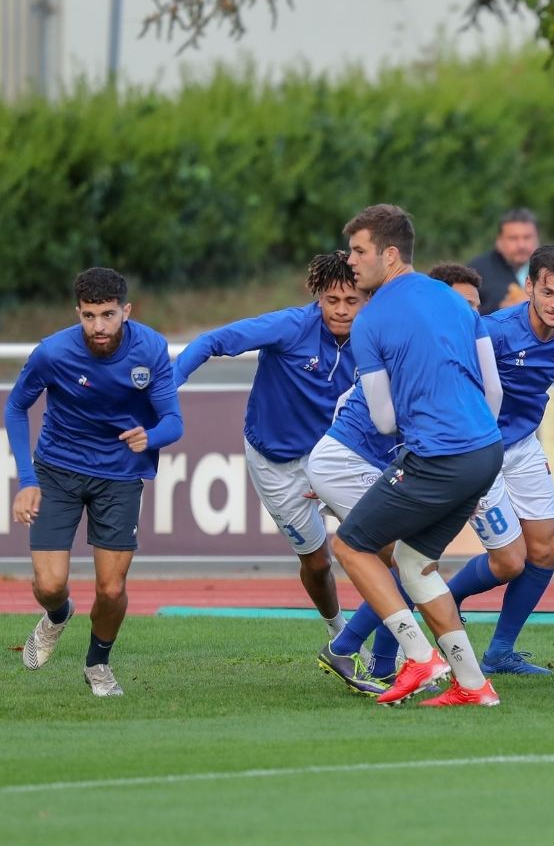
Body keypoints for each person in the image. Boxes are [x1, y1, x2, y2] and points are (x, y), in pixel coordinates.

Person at [336, 203, 505, 708]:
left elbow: (386, 422)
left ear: (389, 255)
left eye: (359, 250)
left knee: (350, 546)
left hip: (439, 457)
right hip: (486, 451)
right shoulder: (456, 301)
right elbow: (492, 391)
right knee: (414, 564)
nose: (350, 261)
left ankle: (417, 657)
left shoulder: (369, 322)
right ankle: (474, 685)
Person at [5, 267, 183, 696]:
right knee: (48, 585)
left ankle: (98, 664)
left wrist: (150, 436)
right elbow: (14, 408)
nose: (98, 326)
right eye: (88, 316)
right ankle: (58, 614)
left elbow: (173, 422)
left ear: (126, 310)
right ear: (78, 313)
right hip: (57, 470)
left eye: (107, 315)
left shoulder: (152, 348)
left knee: (111, 587)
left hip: (120, 476)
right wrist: (26, 478)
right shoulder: (53, 353)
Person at [174, 252, 364, 640]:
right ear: (318, 298)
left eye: (352, 301)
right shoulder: (290, 326)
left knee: (378, 548)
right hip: (275, 461)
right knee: (318, 563)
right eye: (332, 300)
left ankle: (396, 643)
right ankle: (338, 633)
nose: (342, 311)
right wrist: (167, 388)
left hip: (335, 455)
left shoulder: (377, 337)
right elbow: (213, 341)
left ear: (367, 299)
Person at [447, 245, 554, 675]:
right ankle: (446, 600)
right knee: (509, 560)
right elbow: (448, 381)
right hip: (478, 448)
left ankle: (499, 653)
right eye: (549, 293)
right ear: (528, 286)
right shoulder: (493, 332)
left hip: (523, 446)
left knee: (546, 550)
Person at [467, 208, 554, 317]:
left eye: (527, 237)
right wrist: (502, 309)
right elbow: (464, 315)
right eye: (513, 238)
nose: (521, 245)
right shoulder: (477, 270)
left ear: (537, 238)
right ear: (499, 241)